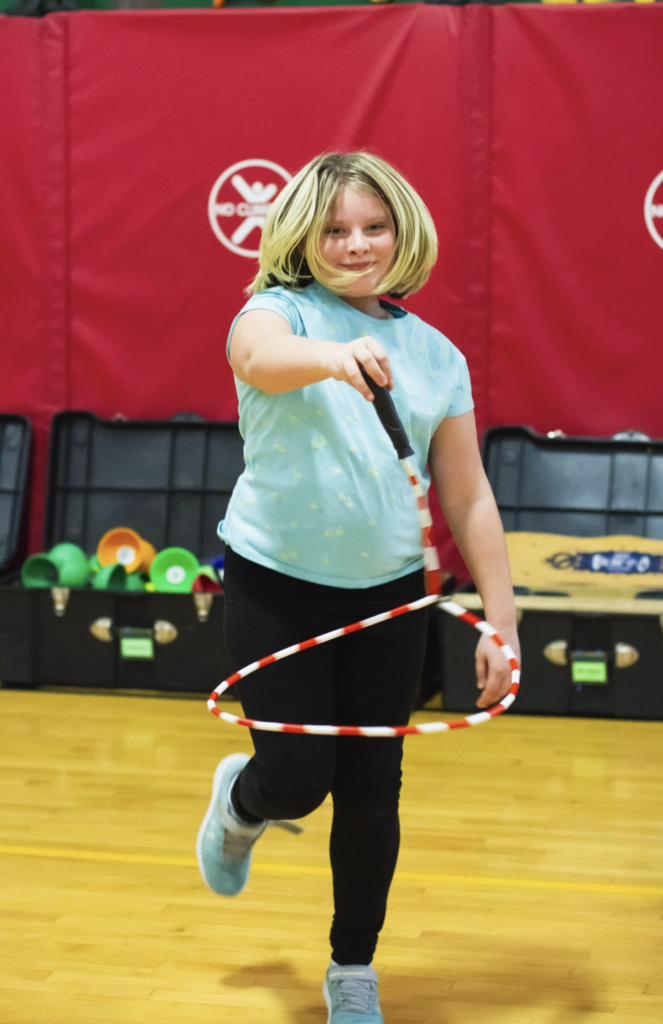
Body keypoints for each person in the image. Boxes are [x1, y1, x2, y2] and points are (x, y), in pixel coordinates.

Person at [197, 151, 520, 1024]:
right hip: (277, 586)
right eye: (336, 229)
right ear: (304, 233)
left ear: (401, 231)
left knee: (374, 788)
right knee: (298, 779)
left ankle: (352, 970)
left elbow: (467, 492)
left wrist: (501, 622)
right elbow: (263, 362)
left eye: (373, 227)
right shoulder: (272, 314)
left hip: (388, 599)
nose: (355, 244)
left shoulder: (435, 355)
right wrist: (334, 358)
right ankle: (242, 801)